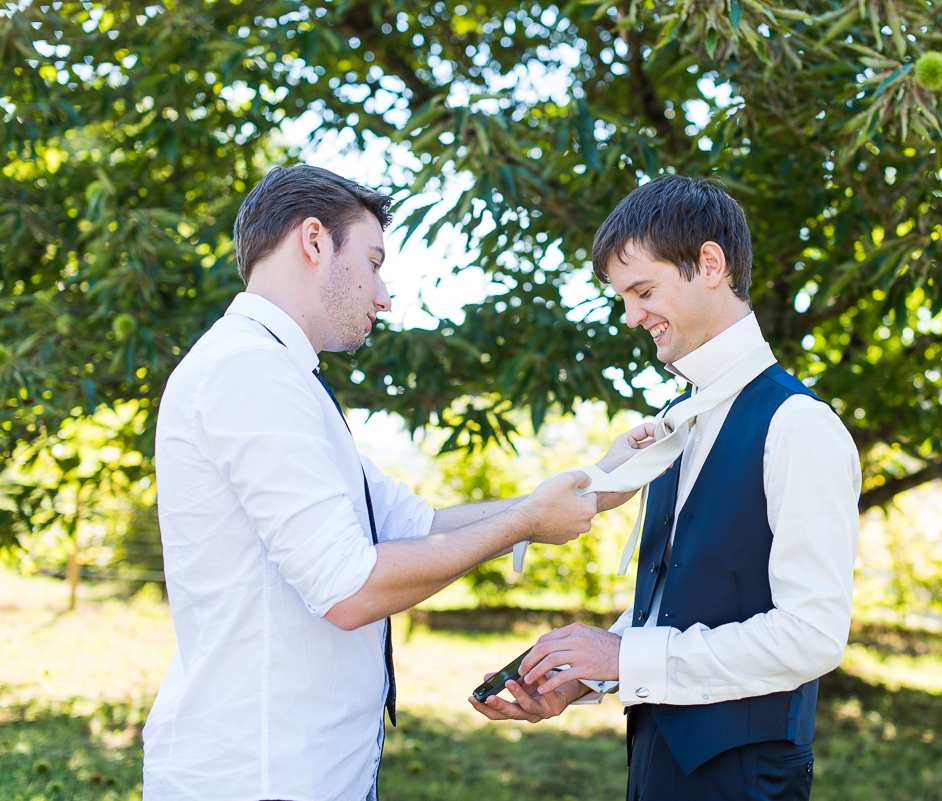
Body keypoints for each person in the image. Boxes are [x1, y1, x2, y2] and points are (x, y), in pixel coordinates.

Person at [142, 165, 650, 801]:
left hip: (310, 767)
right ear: (314, 241)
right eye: (375, 261)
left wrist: (595, 488)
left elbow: (419, 526)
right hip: (262, 770)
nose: (384, 295)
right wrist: (525, 523)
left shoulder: (284, 377)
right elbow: (348, 588)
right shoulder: (250, 372)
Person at [469, 174, 862, 800]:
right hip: (657, 758)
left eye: (643, 290)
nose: (631, 316)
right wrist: (586, 676)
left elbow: (812, 635)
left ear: (711, 264)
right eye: (623, 298)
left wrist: (626, 659)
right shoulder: (682, 417)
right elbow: (681, 599)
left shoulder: (798, 425)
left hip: (743, 777)